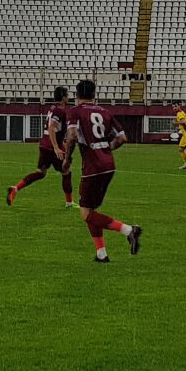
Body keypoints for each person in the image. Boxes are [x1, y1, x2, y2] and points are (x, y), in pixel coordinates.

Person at [62, 79, 142, 263]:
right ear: (94, 94)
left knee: (86, 214)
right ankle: (101, 253)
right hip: (108, 164)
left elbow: (72, 135)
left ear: (76, 96)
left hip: (92, 167)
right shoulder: (105, 112)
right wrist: (106, 149)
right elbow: (122, 138)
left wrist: (67, 159)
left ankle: (129, 230)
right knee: (93, 210)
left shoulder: (75, 111)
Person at [7, 86, 74, 208]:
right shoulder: (60, 110)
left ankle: (15, 189)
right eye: (67, 95)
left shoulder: (53, 108)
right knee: (66, 172)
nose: (69, 97)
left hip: (44, 144)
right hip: (51, 147)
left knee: (40, 173)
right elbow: (51, 127)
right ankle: (69, 203)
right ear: (64, 97)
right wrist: (56, 147)